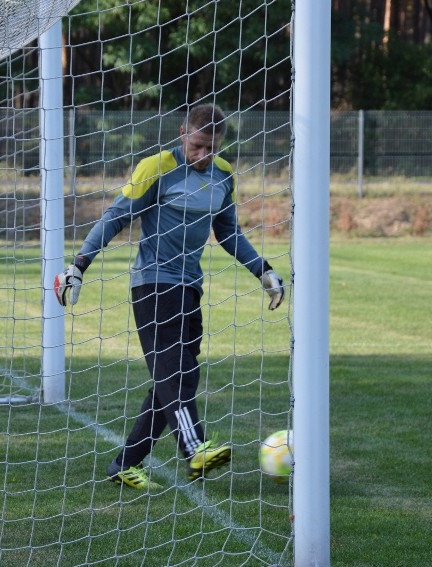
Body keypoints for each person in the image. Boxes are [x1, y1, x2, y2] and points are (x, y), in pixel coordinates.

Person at [54, 104, 286, 490]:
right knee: (174, 373)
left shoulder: (223, 176)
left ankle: (125, 464)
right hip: (152, 284)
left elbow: (228, 232)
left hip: (189, 287)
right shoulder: (156, 167)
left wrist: (262, 270)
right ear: (182, 133)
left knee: (178, 378)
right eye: (196, 146)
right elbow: (115, 217)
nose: (203, 155)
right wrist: (78, 265)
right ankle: (194, 449)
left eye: (210, 148)